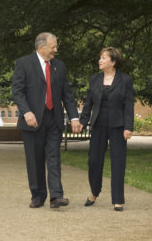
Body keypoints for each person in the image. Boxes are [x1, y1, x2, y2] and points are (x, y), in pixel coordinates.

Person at [12, 32, 80, 209]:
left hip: (54, 119)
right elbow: (17, 92)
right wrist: (26, 112)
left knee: (54, 157)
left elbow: (67, 94)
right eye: (53, 47)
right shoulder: (24, 63)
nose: (56, 50)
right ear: (41, 47)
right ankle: (38, 195)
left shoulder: (59, 66)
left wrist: (74, 117)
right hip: (32, 120)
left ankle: (56, 196)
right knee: (34, 160)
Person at [80, 47, 134, 211]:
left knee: (118, 162)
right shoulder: (94, 79)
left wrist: (128, 126)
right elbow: (88, 103)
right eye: (100, 57)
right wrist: (82, 120)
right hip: (98, 125)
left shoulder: (125, 80)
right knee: (94, 161)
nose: (100, 60)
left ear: (113, 62)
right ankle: (94, 192)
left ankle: (118, 200)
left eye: (104, 58)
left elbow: (128, 105)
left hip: (118, 126)